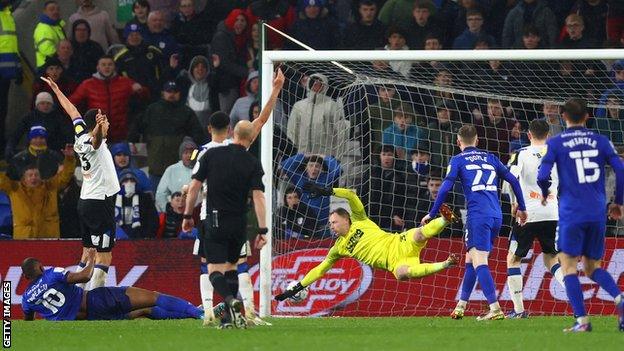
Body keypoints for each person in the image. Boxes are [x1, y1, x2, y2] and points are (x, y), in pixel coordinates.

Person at [189, 68, 284, 327]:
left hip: (210, 215)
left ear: (210, 128)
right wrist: (275, 89)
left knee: (209, 264)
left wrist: (188, 211)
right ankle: (247, 312)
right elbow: (262, 120)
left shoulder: (205, 152)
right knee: (238, 264)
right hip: (236, 215)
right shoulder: (240, 148)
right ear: (230, 129)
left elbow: (193, 185)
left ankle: (210, 312)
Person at [275, 183, 460, 302]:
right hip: (394, 262)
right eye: (330, 223)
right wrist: (300, 285)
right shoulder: (338, 248)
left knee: (419, 234)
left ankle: (445, 219)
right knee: (403, 274)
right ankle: (446, 263)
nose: (331, 226)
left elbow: (350, 195)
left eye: (334, 222)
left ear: (345, 219)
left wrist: (327, 191)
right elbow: (320, 269)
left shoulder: (360, 219)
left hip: (397, 242)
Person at [423, 124, 527, 321]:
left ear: (458, 141)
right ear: (477, 140)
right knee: (471, 259)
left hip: (477, 216)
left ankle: (495, 308)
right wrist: (522, 206)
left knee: (479, 260)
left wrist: (433, 212)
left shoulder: (457, 160)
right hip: (497, 215)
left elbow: (445, 187)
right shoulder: (490, 157)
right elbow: (513, 181)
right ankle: (461, 306)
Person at [537, 98, 624, 332]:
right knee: (592, 267)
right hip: (596, 211)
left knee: (568, 265)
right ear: (587, 116)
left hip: (571, 212)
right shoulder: (601, 140)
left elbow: (542, 174)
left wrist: (545, 193)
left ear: (564, 116)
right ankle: (620, 299)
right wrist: (619, 202)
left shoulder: (556, 143)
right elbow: (621, 169)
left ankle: (582, 321)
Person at [182, 120, 268, 329]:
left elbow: (194, 188)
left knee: (213, 271)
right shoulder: (252, 162)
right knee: (232, 268)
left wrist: (187, 215)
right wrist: (263, 229)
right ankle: (229, 319)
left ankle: (230, 300)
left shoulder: (211, 155)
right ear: (249, 139)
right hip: (239, 223)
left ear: (233, 133)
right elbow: (259, 197)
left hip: (214, 220)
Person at [43, 76, 120, 292]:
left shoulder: (79, 135)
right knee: (105, 254)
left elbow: (72, 111)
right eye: (104, 120)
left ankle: (76, 297)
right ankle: (93, 301)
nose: (107, 124)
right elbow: (95, 141)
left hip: (86, 201)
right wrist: (99, 128)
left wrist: (57, 91)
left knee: (88, 252)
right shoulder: (92, 141)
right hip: (99, 201)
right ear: (96, 123)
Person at [21, 250, 203, 321]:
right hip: (96, 302)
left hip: (88, 320)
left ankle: (192, 315)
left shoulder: (26, 299)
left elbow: (30, 324)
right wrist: (91, 259)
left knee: (144, 311)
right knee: (153, 297)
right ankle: (198, 313)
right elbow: (85, 277)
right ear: (40, 267)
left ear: (27, 276)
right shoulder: (51, 274)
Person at [504, 119, 566, 319]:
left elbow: (510, 180)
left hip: (528, 213)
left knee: (513, 259)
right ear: (548, 134)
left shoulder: (520, 154)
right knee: (551, 259)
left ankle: (519, 311)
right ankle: (573, 292)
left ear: (528, 134)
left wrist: (515, 203)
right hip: (552, 212)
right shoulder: (557, 155)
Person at [128, 81, 206, 192]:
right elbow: (137, 126)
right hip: (156, 166)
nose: (172, 94)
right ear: (163, 93)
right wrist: (132, 141)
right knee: (156, 198)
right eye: (169, 91)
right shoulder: (152, 110)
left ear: (179, 94)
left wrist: (193, 157)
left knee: (178, 197)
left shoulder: (186, 112)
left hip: (179, 167)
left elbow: (199, 137)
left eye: (175, 91)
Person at [0, 145, 75, 239]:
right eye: (30, 175)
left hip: (49, 237)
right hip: (23, 238)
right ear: (24, 178)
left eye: (36, 175)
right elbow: (1, 180)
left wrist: (69, 158)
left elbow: (65, 176)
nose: (33, 177)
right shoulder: (15, 189)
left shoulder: (50, 186)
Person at [69, 55, 148, 143]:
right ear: (98, 67)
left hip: (121, 133)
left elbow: (145, 96)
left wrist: (140, 90)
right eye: (103, 65)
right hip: (97, 133)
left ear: (114, 67)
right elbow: (72, 102)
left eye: (110, 64)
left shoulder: (125, 82)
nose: (107, 67)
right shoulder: (88, 84)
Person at [5, 91, 72, 160]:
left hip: (53, 152)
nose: (45, 106)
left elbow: (68, 134)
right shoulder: (29, 117)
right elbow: (16, 134)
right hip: (31, 152)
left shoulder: (59, 118)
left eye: (48, 103)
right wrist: (10, 147)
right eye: (42, 103)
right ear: (37, 105)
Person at [0, 0, 21, 160]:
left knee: (2, 110)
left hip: (5, 73)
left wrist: (18, 68)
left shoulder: (7, 15)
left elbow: (12, 46)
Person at [155, 138, 197, 212]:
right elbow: (160, 194)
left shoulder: (202, 168)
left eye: (192, 153)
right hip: (176, 213)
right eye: (186, 153)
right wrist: (168, 210)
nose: (189, 155)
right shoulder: (172, 170)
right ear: (181, 155)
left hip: (197, 213)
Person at [115, 169, 158, 239]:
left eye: (132, 181)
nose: (129, 184)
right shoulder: (113, 200)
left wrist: (147, 236)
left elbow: (153, 221)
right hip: (117, 238)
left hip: (140, 237)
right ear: (120, 184)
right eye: (125, 181)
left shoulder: (145, 198)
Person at [33, 0, 66, 69]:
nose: (55, 12)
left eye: (57, 9)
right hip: (47, 68)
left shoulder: (56, 26)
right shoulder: (43, 29)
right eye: (51, 9)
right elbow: (47, 50)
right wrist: (65, 56)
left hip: (54, 66)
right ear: (44, 12)